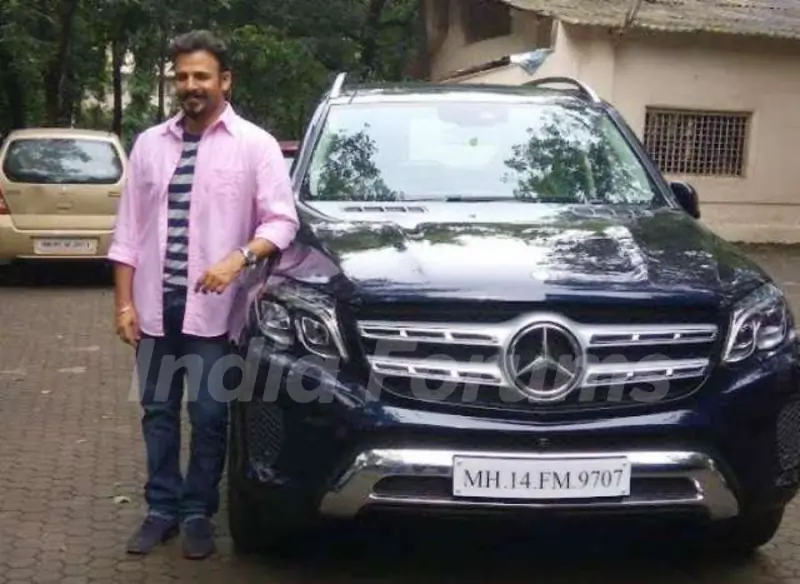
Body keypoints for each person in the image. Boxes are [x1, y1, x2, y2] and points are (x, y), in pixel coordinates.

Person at [108, 29, 299, 559]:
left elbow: (282, 221)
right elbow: (128, 231)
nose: (191, 85)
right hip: (154, 308)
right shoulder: (149, 144)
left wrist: (239, 257)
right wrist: (124, 304)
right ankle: (161, 509)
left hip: (215, 314)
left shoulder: (255, 146)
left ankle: (197, 513)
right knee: (158, 413)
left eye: (201, 76)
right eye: (183, 76)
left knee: (211, 415)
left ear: (225, 81)